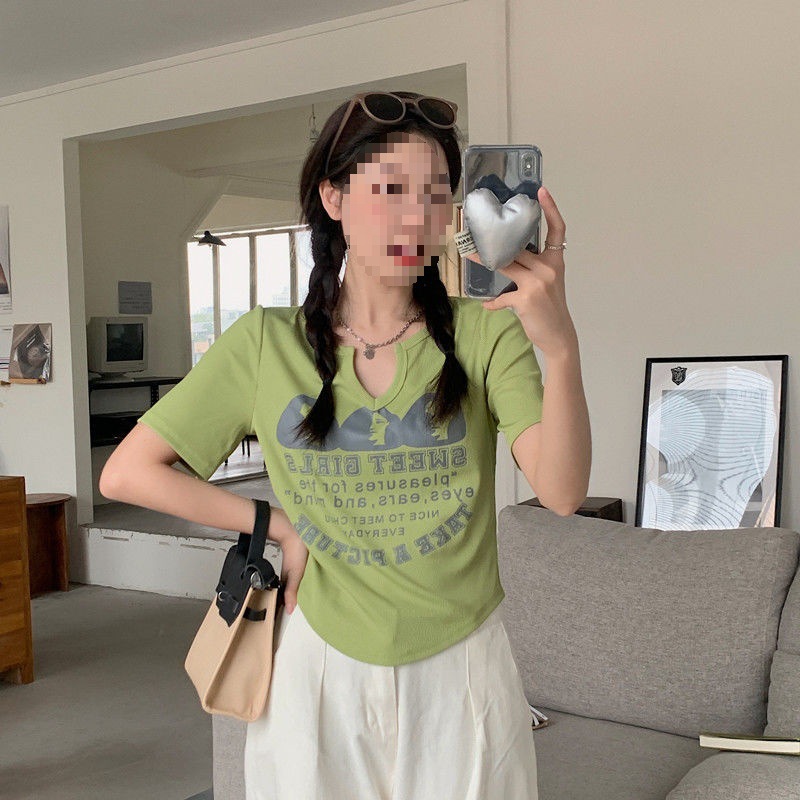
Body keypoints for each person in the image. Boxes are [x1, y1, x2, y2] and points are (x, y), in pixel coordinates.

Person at [100, 90, 591, 799]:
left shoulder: (486, 332)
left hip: (463, 670)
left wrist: (562, 348)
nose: (415, 217)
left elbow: (563, 493)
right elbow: (128, 472)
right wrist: (279, 525)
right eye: (390, 189)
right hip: (320, 667)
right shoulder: (264, 344)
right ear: (334, 198)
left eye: (436, 194)